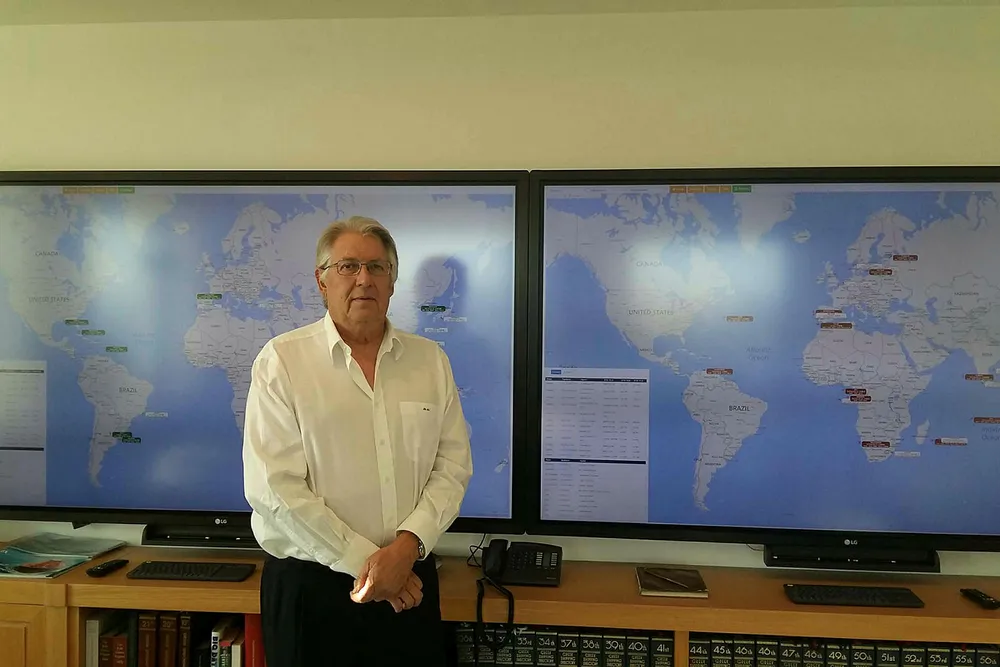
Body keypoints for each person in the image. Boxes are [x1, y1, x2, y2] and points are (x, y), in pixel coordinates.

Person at [242, 215, 473, 667]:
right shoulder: (282, 361)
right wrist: (369, 564)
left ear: (392, 282)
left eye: (377, 267)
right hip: (313, 588)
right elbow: (273, 489)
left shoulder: (430, 361)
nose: (364, 279)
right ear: (322, 280)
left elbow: (452, 467)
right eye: (348, 266)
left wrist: (406, 549)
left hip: (410, 580)